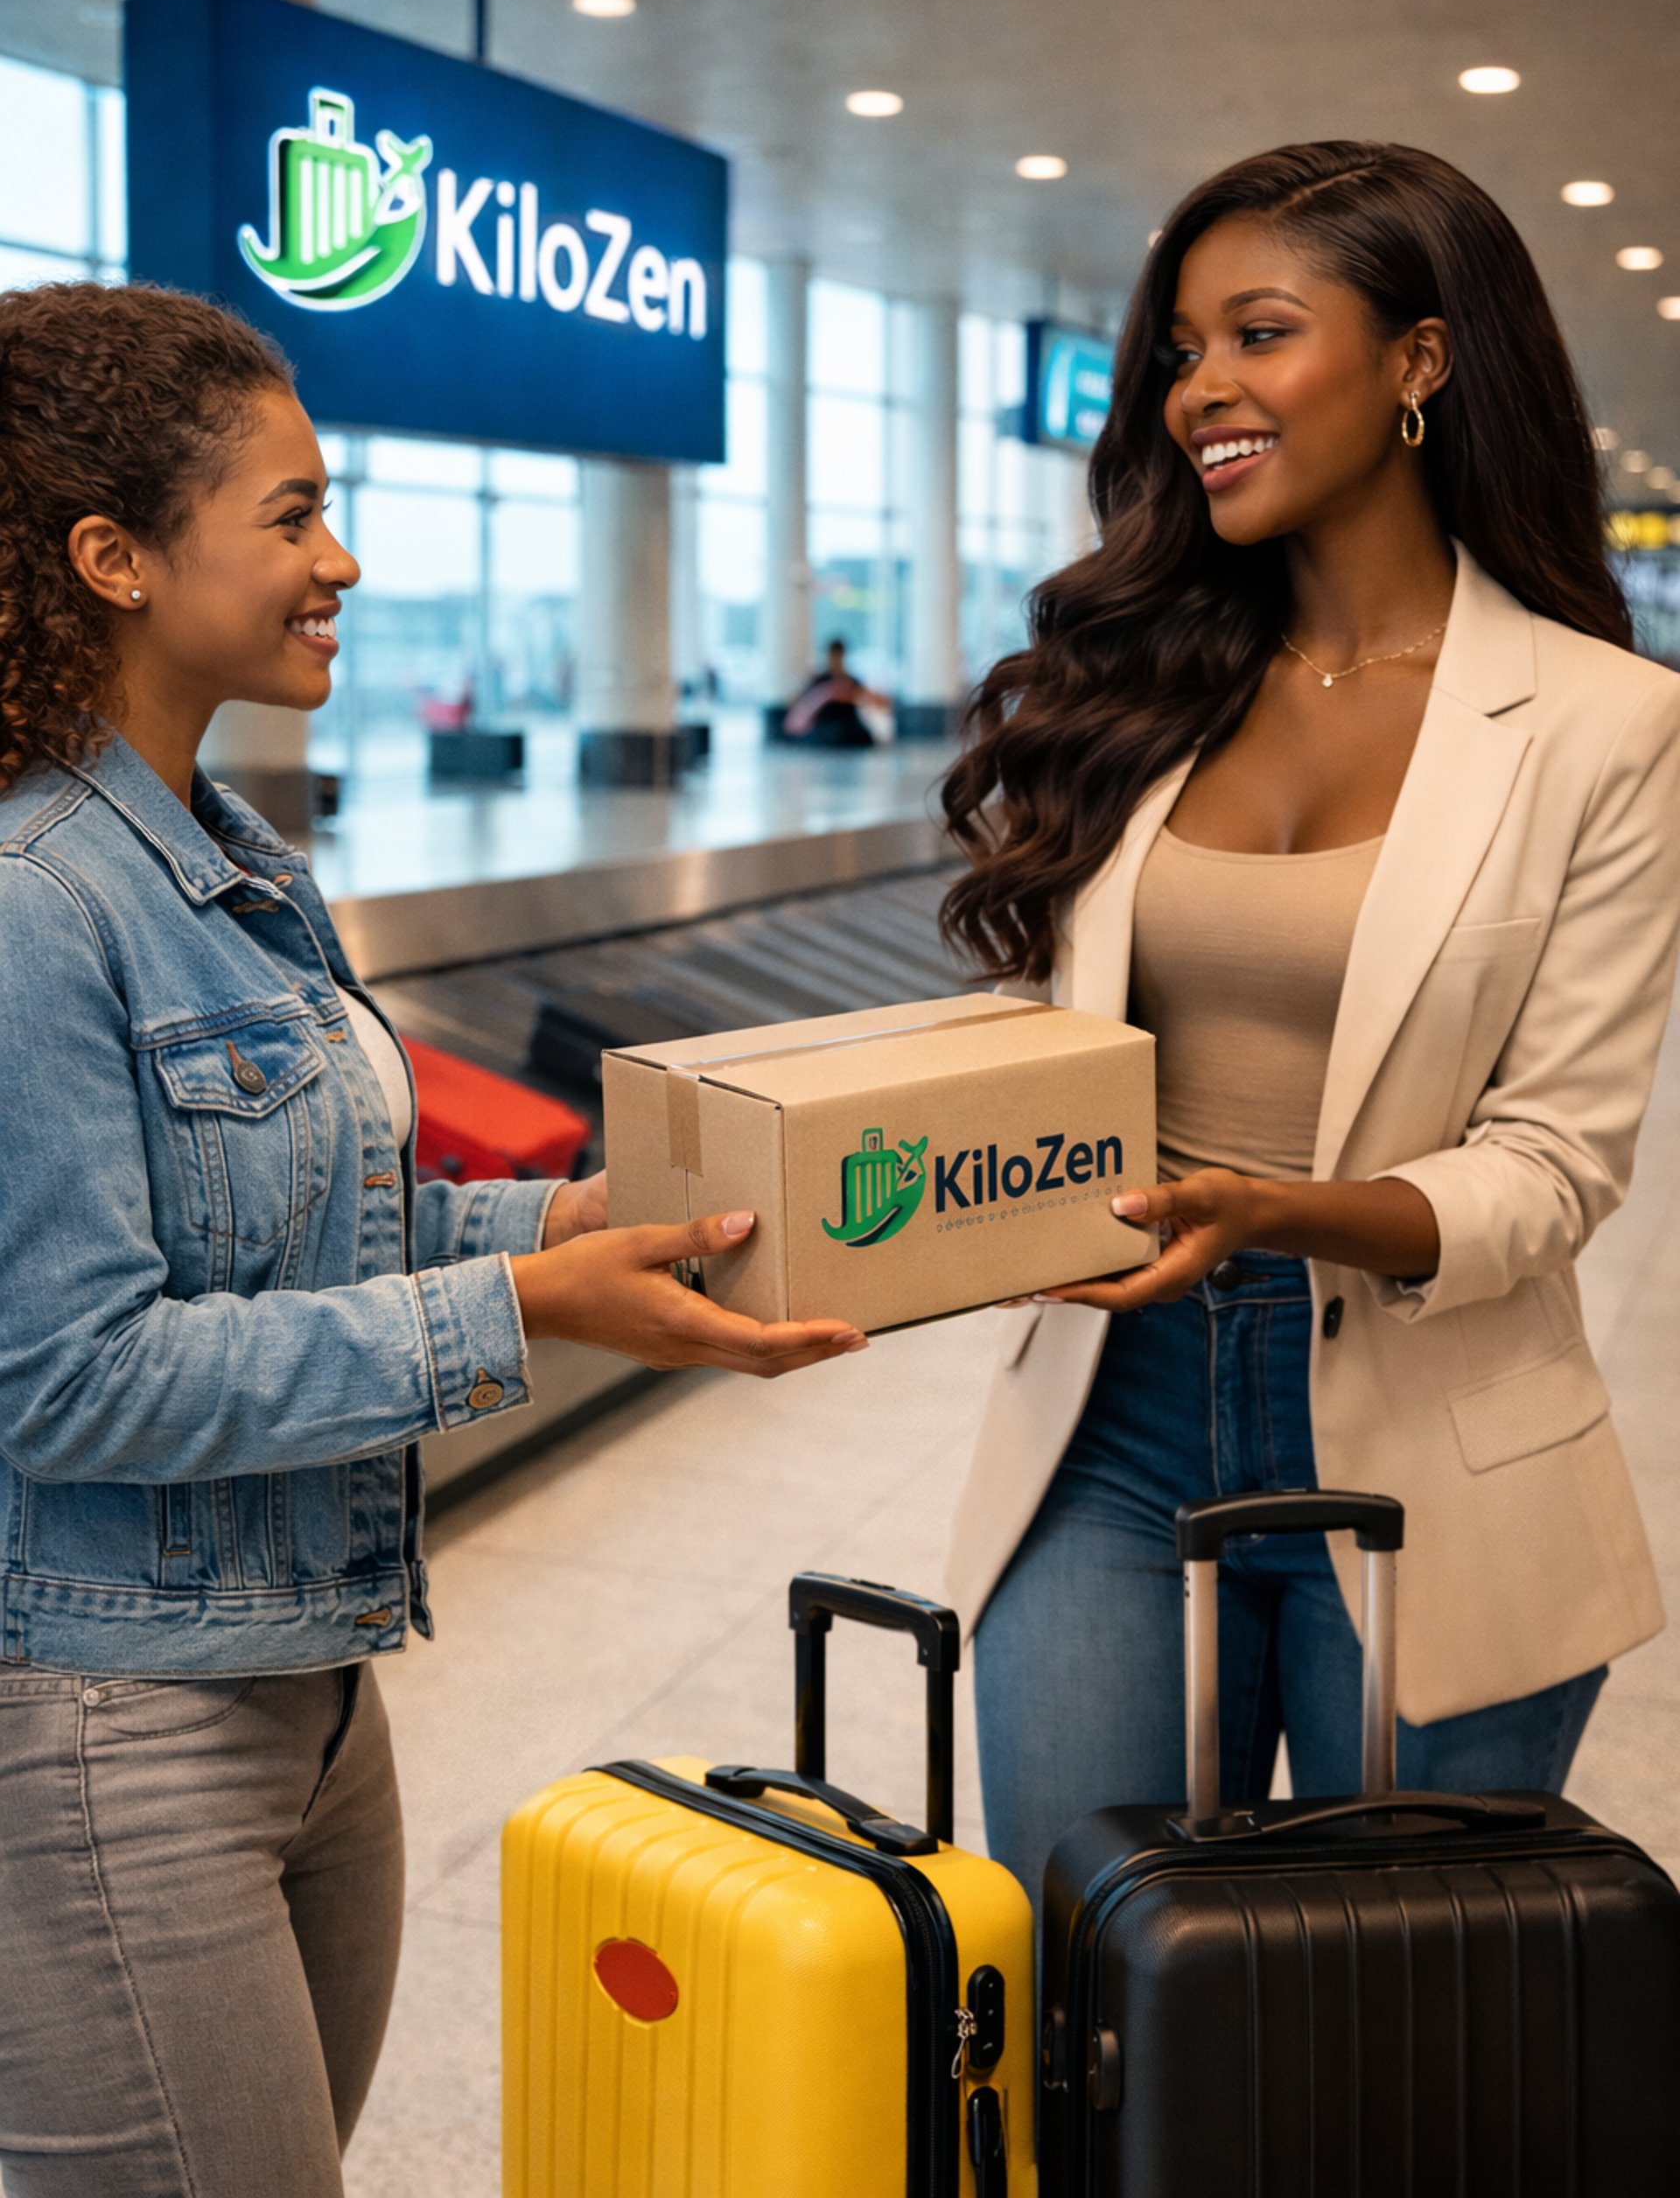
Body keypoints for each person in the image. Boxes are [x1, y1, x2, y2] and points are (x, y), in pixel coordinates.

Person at [0, 282, 865, 2198]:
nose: (345, 557)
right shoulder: (31, 909)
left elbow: (300, 1228)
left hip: (308, 1693)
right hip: (100, 1733)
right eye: (294, 514)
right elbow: (66, 1378)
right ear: (111, 557)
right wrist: (515, 1304)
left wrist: (558, 1221)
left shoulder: (229, 860)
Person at [937, 141, 1680, 1903]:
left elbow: (1553, 1167)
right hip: (1110, 1416)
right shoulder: (1139, 688)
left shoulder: (1604, 725)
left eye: (1260, 334)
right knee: (1082, 1991)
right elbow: (1053, 1038)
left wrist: (1274, 1214)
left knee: (1385, 2035)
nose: (1204, 391)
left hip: (1438, 1425)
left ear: (1420, 362)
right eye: (1184, 350)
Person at [781, 638, 891, 746]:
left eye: (839, 655)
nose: (836, 659)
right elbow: (798, 703)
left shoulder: (851, 681)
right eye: (834, 655)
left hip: (848, 725)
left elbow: (877, 701)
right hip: (826, 727)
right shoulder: (820, 680)